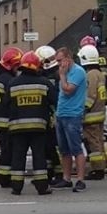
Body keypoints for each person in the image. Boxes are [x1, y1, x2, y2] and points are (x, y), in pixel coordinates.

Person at [8, 51, 56, 196]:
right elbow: (54, 101)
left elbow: (5, 105)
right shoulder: (44, 83)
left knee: (18, 157)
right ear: (37, 66)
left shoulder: (12, 84)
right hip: (38, 128)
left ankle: (16, 187)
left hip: (17, 129)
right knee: (39, 157)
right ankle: (42, 187)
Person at [51, 47, 88, 192]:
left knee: (76, 148)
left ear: (68, 58)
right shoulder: (66, 72)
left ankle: (80, 179)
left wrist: (62, 75)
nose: (59, 64)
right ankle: (66, 178)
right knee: (64, 149)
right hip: (62, 114)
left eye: (60, 61)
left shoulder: (77, 72)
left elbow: (68, 89)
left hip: (73, 115)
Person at [0, 47, 23, 188]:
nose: (18, 68)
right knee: (10, 151)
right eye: (17, 65)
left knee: (5, 151)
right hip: (8, 121)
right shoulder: (9, 81)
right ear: (11, 65)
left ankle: (3, 177)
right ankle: (6, 179)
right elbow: (12, 102)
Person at [78, 45, 107, 180]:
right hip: (100, 113)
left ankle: (98, 170)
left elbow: (90, 95)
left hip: (91, 116)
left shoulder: (90, 75)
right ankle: (100, 166)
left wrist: (83, 109)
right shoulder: (100, 74)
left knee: (93, 142)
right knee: (99, 142)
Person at [34, 45, 63, 183]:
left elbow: (53, 99)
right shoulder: (57, 74)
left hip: (51, 116)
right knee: (48, 147)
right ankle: (51, 172)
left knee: (51, 147)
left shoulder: (49, 77)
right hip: (52, 115)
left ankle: (57, 173)